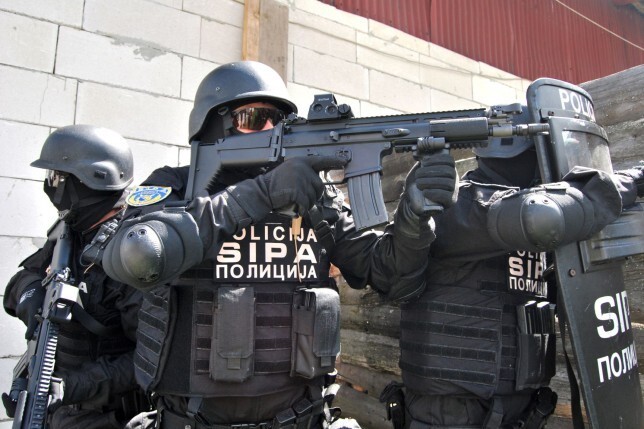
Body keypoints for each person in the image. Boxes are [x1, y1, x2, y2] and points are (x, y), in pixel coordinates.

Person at [88, 61, 458, 429]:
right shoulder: (175, 187)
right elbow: (135, 257)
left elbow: (390, 275)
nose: (270, 129)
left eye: (279, 120)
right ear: (213, 124)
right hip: (191, 419)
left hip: (305, 418)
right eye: (253, 118)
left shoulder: (315, 199)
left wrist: (414, 216)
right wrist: (261, 194)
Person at [384, 108, 644, 429]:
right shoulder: (458, 207)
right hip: (452, 414)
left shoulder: (530, 210)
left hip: (520, 411)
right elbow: (538, 215)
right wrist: (631, 182)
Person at [2, 125, 149, 429]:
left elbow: (151, 360)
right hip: (55, 409)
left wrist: (73, 386)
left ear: (89, 181)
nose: (51, 186)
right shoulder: (73, 230)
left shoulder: (132, 255)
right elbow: (24, 277)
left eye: (58, 178)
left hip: (105, 416)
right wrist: (33, 295)